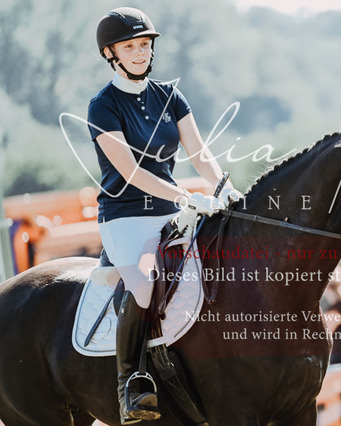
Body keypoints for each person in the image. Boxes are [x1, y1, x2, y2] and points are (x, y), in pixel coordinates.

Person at [88, 7, 241, 424]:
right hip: (125, 217)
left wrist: (223, 187)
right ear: (110, 54)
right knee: (143, 286)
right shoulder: (102, 107)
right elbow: (131, 171)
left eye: (144, 44)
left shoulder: (171, 96)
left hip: (170, 212)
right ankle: (129, 383)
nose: (140, 52)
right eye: (129, 47)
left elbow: (200, 153)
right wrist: (186, 195)